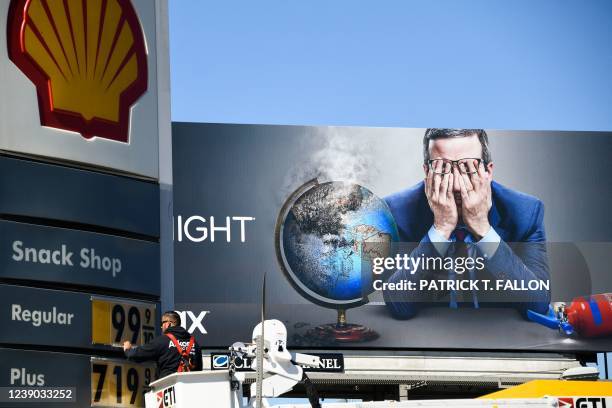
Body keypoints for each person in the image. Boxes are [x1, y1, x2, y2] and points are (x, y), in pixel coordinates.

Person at [383, 128, 551, 319]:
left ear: (488, 171)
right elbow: (399, 306)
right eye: (442, 168)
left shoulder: (526, 212)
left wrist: (483, 229)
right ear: (427, 172)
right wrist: (441, 228)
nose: (456, 185)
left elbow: (538, 303)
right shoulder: (397, 212)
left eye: (467, 168)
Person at [123, 311, 203, 379]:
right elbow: (199, 370)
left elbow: (135, 355)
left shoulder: (162, 341)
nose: (161, 327)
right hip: (189, 390)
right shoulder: (195, 343)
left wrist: (128, 349)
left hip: (167, 389)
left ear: (168, 324)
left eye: (162, 323)